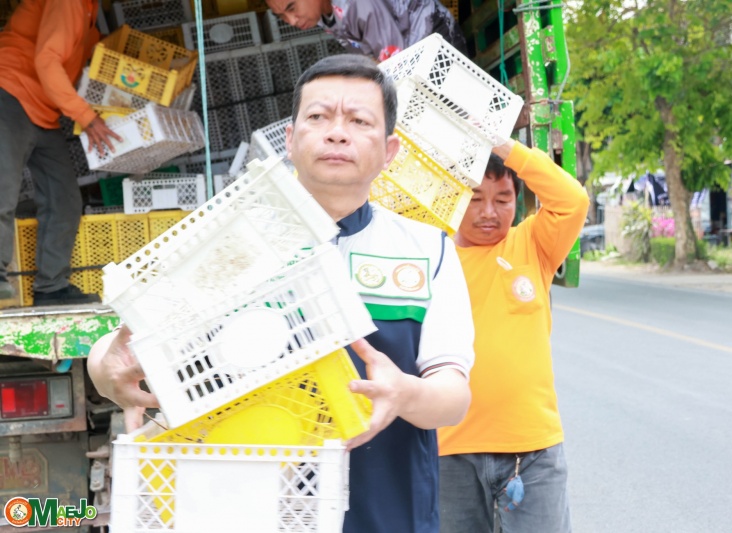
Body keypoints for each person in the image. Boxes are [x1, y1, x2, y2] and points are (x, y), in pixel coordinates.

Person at [87, 54, 475, 533]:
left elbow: (453, 395)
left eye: (359, 121)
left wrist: (404, 393)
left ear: (389, 150)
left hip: (386, 511)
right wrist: (106, 370)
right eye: (318, 117)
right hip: (243, 513)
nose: (337, 133)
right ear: (289, 140)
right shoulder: (221, 243)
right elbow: (120, 347)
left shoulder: (426, 249)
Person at [437, 142, 590, 533]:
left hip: (532, 451)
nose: (489, 212)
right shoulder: (434, 256)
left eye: (503, 199)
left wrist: (501, 145)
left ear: (517, 203)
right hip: (450, 450)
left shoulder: (533, 244)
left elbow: (572, 200)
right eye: (475, 199)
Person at [0, 0, 121, 305]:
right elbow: (48, 60)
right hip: (9, 92)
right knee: (3, 192)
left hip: (43, 110)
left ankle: (51, 288)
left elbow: (78, 64)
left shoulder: (90, 11)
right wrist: (87, 117)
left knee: (64, 200)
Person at [265, 0, 467, 61]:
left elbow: (397, 59)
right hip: (407, 53)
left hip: (433, 38)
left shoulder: (355, 4)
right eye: (281, 16)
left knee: (462, 113)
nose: (291, 21)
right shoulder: (320, 14)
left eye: (292, 8)